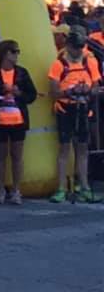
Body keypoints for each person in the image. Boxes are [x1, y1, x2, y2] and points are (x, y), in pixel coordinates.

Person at [48, 29, 102, 203]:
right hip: (65, 110)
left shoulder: (89, 61)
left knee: (82, 149)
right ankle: (61, 188)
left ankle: (84, 186)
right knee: (64, 149)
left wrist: (87, 90)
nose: (79, 50)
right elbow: (54, 91)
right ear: (68, 46)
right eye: (76, 47)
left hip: (83, 108)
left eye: (81, 47)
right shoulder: (58, 64)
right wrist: (69, 92)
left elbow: (96, 85)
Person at [0, 39, 37, 205]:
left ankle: (16, 190)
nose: (17, 55)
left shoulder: (22, 73)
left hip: (18, 120)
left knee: (17, 156)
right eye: (14, 52)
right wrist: (1, 91)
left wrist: (18, 93)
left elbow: (32, 95)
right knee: (0, 155)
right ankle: (0, 189)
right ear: (5, 54)